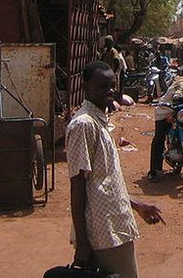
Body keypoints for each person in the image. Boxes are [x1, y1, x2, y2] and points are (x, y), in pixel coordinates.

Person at [67, 61, 163, 277]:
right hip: (103, 232)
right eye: (102, 86)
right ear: (86, 87)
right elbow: (78, 185)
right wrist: (82, 242)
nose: (109, 91)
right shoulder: (84, 124)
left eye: (112, 85)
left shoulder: (99, 120)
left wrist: (137, 205)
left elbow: (104, 182)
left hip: (115, 225)